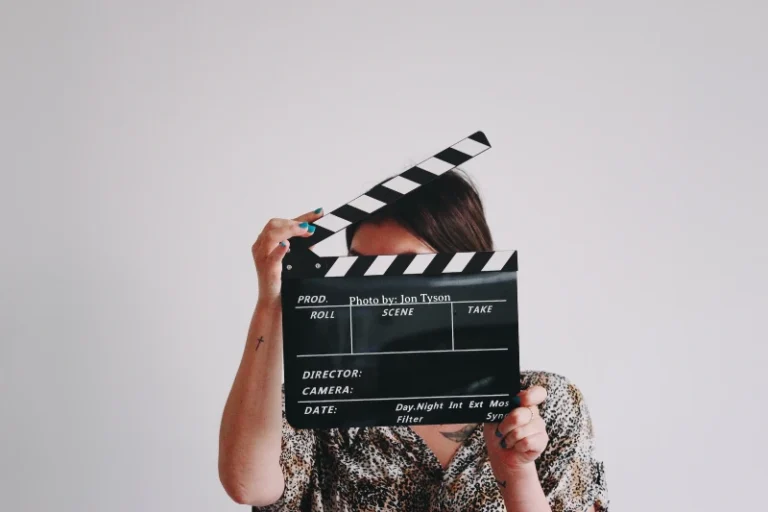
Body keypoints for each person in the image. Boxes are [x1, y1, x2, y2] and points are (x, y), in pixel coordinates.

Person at [218, 169, 609, 511]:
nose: (374, 291)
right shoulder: (320, 399)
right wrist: (272, 301)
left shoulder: (544, 405)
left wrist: (516, 472)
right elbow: (247, 484)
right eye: (359, 266)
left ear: (465, 272)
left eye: (402, 267)